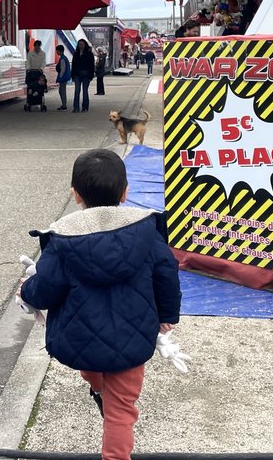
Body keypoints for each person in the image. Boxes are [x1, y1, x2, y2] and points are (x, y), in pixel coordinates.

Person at [19, 149, 181, 460]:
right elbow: (166, 275)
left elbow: (46, 288)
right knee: (121, 412)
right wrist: (167, 316)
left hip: (80, 336)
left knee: (92, 366)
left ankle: (97, 386)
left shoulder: (63, 240)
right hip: (132, 339)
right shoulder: (147, 233)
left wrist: (27, 292)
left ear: (75, 194)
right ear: (126, 193)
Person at [71, 39, 95, 113]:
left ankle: (85, 107)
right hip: (77, 74)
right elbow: (73, 65)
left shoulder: (89, 54)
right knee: (77, 91)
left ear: (85, 45)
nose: (81, 46)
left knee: (85, 91)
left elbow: (92, 65)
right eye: (79, 44)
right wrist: (73, 75)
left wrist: (91, 75)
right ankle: (76, 107)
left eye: (82, 44)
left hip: (86, 75)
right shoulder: (76, 54)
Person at [54, 45, 71, 111]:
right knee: (61, 91)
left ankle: (64, 106)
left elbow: (62, 69)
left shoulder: (62, 59)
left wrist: (60, 77)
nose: (56, 52)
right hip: (64, 77)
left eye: (57, 51)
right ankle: (64, 105)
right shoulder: (64, 58)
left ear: (60, 51)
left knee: (62, 91)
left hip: (63, 77)